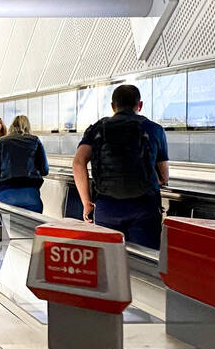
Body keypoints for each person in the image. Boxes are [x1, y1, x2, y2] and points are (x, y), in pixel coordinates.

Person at [72, 83, 169, 249]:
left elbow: (78, 162)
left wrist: (86, 201)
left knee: (108, 262)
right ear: (139, 105)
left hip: (107, 206)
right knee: (144, 262)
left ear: (113, 106)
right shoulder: (155, 130)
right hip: (144, 208)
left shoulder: (97, 129)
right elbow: (163, 177)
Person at [0, 114, 48, 211]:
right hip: (31, 196)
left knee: (5, 225)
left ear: (11, 126)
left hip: (4, 194)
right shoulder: (35, 141)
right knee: (30, 225)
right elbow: (45, 170)